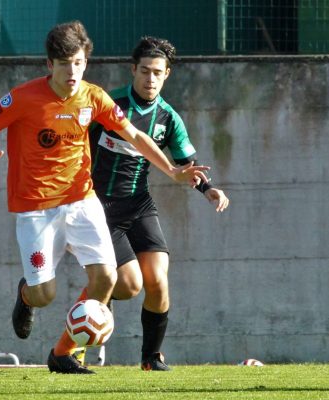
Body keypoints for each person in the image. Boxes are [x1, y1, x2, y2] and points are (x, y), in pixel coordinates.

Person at [0, 22, 210, 374]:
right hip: (37, 209)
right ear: (49, 65)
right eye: (65, 63)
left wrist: (173, 171)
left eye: (80, 63)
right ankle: (26, 295)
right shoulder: (23, 97)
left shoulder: (94, 97)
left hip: (83, 202)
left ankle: (65, 353)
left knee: (107, 280)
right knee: (45, 295)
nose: (73, 72)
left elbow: (135, 136)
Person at [89, 36, 230, 371]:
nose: (150, 79)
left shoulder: (169, 119)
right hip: (99, 207)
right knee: (129, 284)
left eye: (157, 73)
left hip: (139, 206)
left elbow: (187, 163)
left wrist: (208, 189)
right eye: (145, 71)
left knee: (157, 281)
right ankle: (88, 315)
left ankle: (151, 358)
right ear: (132, 70)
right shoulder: (110, 106)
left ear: (166, 75)